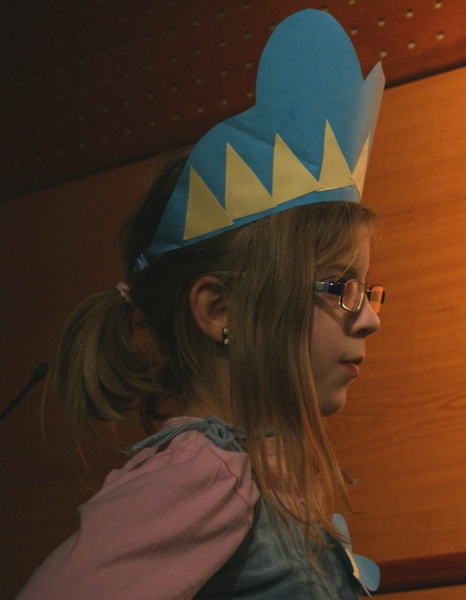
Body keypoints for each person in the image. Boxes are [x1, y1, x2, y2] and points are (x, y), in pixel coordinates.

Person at [17, 9, 385, 599]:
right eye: (339, 286)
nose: (369, 317)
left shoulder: (260, 475)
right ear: (220, 310)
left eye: (366, 291)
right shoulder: (206, 474)